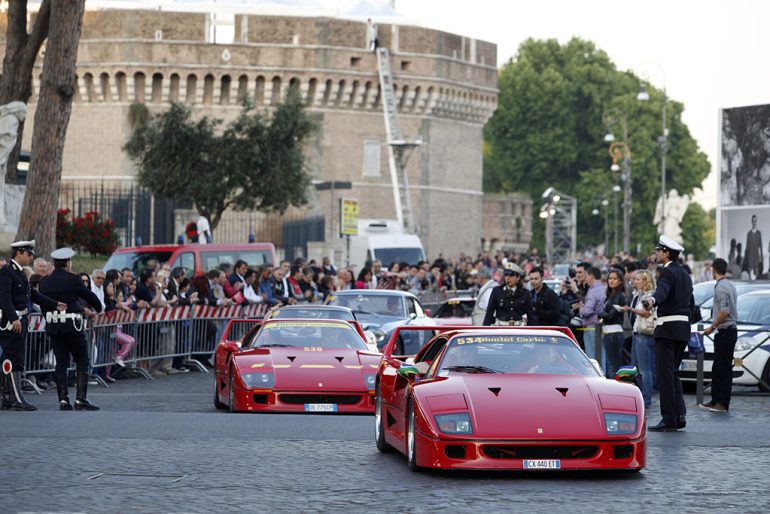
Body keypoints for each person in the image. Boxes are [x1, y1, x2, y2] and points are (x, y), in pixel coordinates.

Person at [0, 240, 63, 411]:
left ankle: (7, 397)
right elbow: (4, 299)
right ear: (19, 252)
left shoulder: (19, 273)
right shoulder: (7, 272)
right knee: (12, 358)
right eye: (28, 254)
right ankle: (15, 398)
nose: (30, 257)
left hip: (21, 320)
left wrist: (54, 304)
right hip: (12, 322)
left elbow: (32, 295)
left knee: (16, 359)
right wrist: (13, 318)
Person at [38, 247, 104, 411]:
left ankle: (63, 399)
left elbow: (43, 302)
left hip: (54, 325)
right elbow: (89, 296)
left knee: (61, 362)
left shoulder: (44, 281)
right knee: (82, 360)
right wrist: (97, 308)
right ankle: (81, 399)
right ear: (68, 263)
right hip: (71, 325)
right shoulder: (73, 279)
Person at [642, 236, 693, 431]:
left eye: (658, 250)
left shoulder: (667, 272)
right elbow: (691, 304)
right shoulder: (685, 275)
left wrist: (651, 301)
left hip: (667, 329)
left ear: (666, 252)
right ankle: (679, 415)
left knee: (665, 375)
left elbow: (662, 292)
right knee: (674, 374)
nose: (656, 253)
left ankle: (668, 419)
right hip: (682, 329)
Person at [700, 258, 738, 412]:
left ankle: (722, 402)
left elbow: (725, 311)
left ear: (713, 269)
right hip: (726, 331)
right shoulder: (729, 284)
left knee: (723, 368)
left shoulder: (722, 287)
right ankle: (715, 399)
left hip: (725, 330)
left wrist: (712, 326)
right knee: (718, 367)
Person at [622, 270, 656, 409]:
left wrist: (632, 310)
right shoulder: (638, 295)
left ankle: (646, 398)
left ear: (645, 281)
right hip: (637, 333)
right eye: (634, 279)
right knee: (635, 367)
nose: (634, 281)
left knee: (644, 369)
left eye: (638, 279)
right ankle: (638, 395)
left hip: (644, 334)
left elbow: (648, 312)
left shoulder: (650, 296)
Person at [598, 268, 627, 377]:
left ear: (620, 281)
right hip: (608, 333)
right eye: (610, 278)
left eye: (615, 279)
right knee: (612, 366)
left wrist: (600, 313)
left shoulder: (620, 296)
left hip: (614, 334)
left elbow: (611, 315)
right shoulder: (611, 295)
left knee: (614, 367)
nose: (611, 281)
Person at [579, 267, 606, 360]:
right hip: (601, 326)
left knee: (592, 358)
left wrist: (581, 309)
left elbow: (587, 311)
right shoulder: (604, 288)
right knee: (601, 356)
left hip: (591, 327)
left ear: (591, 276)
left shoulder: (592, 291)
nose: (586, 279)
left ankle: (595, 375)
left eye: (586, 276)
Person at [743, 214, 763, 280]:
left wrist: (761, 260)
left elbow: (760, 247)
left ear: (756, 221)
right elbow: (747, 248)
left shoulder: (759, 233)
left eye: (755, 221)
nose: (754, 222)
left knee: (757, 277)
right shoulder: (749, 234)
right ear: (751, 222)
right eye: (753, 221)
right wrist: (746, 260)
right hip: (750, 260)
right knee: (750, 278)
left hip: (757, 260)